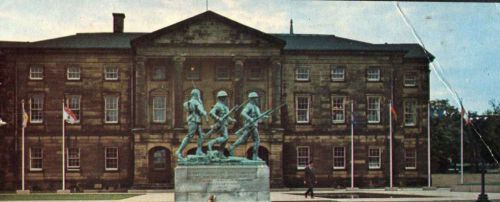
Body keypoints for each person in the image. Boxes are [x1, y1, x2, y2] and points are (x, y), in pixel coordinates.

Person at [228, 92, 267, 160]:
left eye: (257, 98)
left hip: (253, 125)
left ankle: (232, 147)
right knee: (257, 140)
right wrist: (250, 118)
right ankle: (254, 157)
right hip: (250, 125)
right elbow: (243, 113)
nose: (257, 99)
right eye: (255, 98)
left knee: (243, 139)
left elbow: (259, 117)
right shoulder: (249, 106)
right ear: (252, 99)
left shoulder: (256, 107)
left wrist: (264, 117)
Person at [175, 88, 208, 160]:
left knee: (201, 135)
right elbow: (201, 110)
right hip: (194, 120)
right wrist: (205, 113)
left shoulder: (193, 102)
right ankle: (179, 151)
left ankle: (199, 150)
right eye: (199, 94)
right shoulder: (195, 102)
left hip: (196, 120)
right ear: (197, 94)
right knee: (190, 135)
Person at [206, 90, 235, 157]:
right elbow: (211, 113)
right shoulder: (217, 105)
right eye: (223, 97)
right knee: (225, 137)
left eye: (225, 97)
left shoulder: (225, 107)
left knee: (225, 139)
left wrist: (232, 120)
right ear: (219, 98)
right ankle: (211, 142)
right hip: (220, 124)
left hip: (225, 124)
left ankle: (220, 153)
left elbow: (227, 117)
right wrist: (218, 118)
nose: (225, 98)